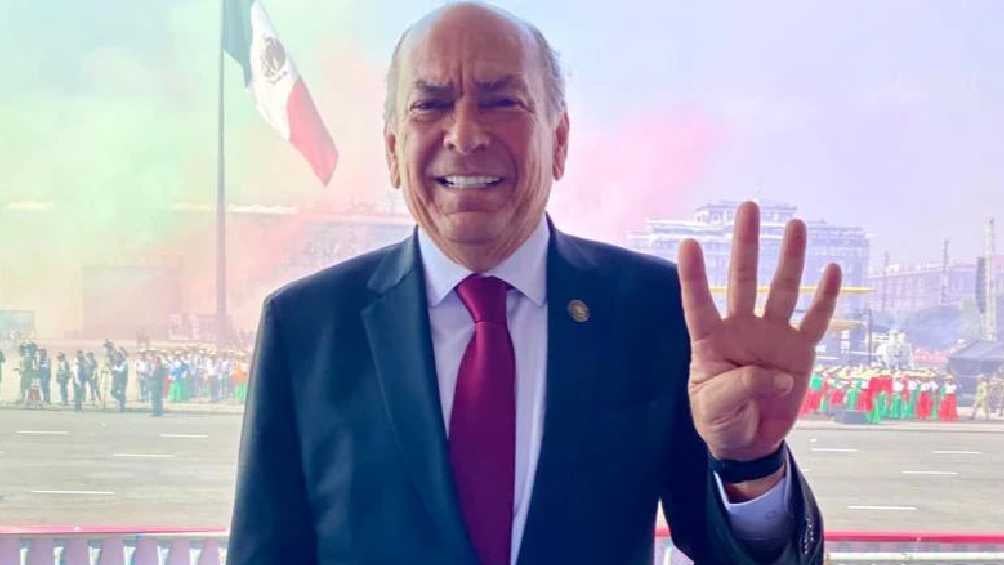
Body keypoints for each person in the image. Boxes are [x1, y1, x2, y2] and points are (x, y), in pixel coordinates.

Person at [228, 5, 840, 564]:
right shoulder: (307, 329)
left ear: (560, 142)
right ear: (392, 150)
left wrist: (750, 464)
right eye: (430, 105)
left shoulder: (653, 312)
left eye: (502, 101)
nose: (464, 135)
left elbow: (741, 554)